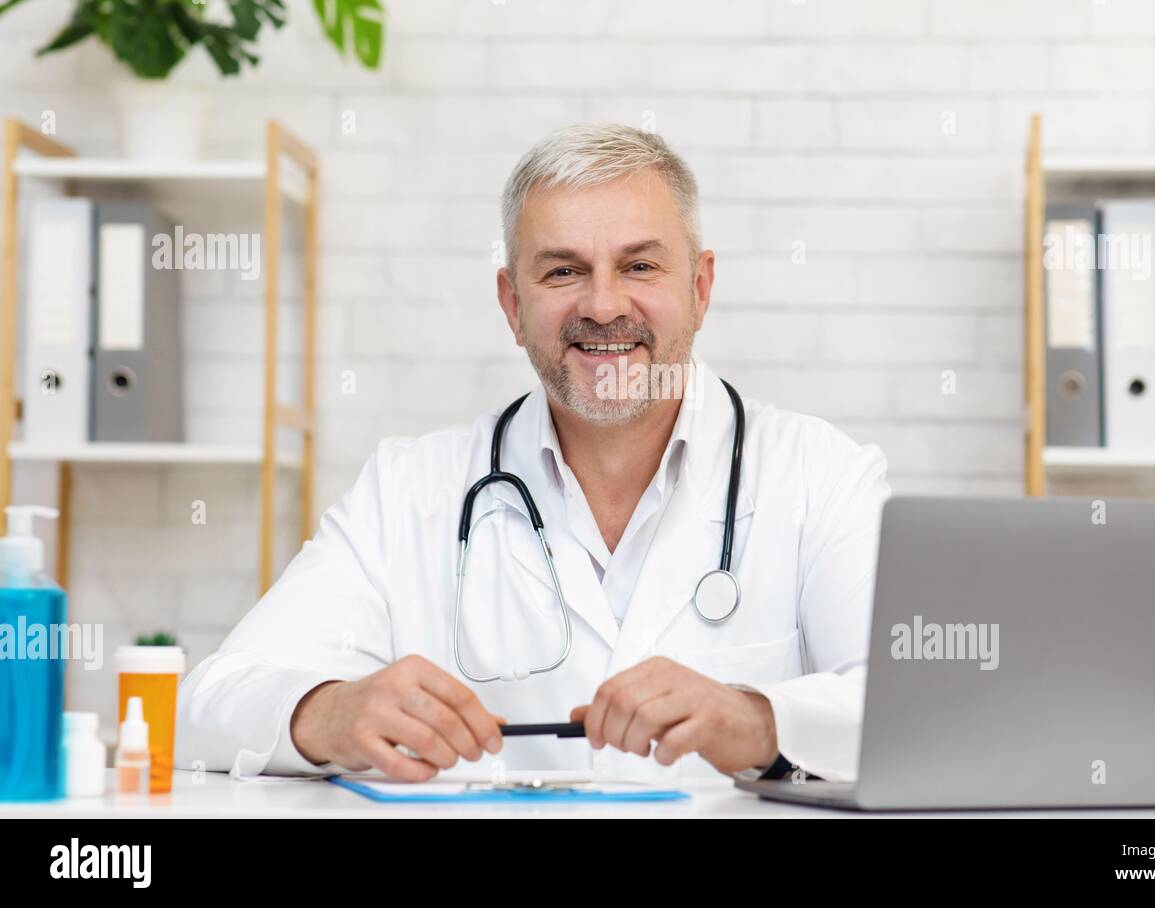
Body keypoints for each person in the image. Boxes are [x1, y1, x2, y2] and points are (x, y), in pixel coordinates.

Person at [176, 123, 890, 784]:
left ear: (700, 289)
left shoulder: (821, 478)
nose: (605, 306)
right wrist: (324, 713)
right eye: (562, 272)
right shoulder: (410, 489)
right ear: (512, 305)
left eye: (640, 266)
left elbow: (921, 708)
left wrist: (760, 721)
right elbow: (204, 704)